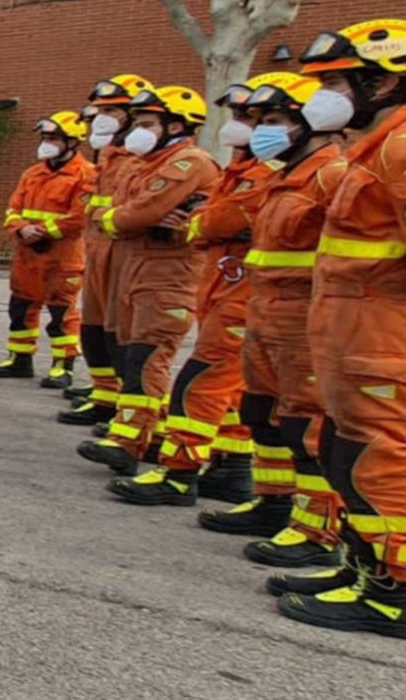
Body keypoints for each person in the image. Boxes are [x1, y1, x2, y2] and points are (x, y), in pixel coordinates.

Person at [275, 18, 406, 637]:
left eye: (335, 81)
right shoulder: (372, 150)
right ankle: (364, 568)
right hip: (352, 336)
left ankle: (396, 594)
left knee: (382, 462)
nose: (321, 96)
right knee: (344, 453)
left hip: (384, 339)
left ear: (380, 83)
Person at [109, 76, 286, 506]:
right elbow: (211, 218)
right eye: (243, 116)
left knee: (201, 384)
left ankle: (178, 474)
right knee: (237, 394)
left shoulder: (265, 173)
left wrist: (196, 223)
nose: (244, 125)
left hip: (250, 294)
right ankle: (233, 469)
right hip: (227, 288)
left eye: (257, 118)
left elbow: (214, 221)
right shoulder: (238, 171)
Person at [199, 76, 346, 580]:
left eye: (275, 122)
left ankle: (316, 530)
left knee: (307, 423)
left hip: (304, 315)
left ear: (310, 123)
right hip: (265, 308)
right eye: (259, 122)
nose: (263, 132)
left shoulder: (332, 175)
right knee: (261, 411)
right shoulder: (285, 175)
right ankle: (274, 501)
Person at [76, 86, 219, 476]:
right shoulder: (144, 165)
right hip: (133, 270)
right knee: (125, 353)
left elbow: (132, 215)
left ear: (175, 126)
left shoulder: (190, 163)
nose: (137, 131)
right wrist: (125, 220)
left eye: (146, 123)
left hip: (167, 276)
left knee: (146, 359)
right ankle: (148, 435)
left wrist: (123, 220)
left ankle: (128, 442)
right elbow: (121, 215)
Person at [59, 74, 152, 426]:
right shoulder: (109, 155)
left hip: (124, 253)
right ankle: (104, 395)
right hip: (97, 249)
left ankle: (125, 407)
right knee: (94, 330)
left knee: (120, 334)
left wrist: (101, 216)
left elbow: (135, 209)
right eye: (100, 110)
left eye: (111, 110)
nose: (102, 117)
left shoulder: (139, 158)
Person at [0, 113, 95, 383]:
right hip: (27, 253)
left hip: (63, 255)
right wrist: (21, 228)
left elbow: (81, 216)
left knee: (61, 311)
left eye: (53, 138)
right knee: (21, 307)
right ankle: (20, 359)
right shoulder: (33, 173)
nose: (46, 143)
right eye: (45, 138)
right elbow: (13, 208)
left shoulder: (86, 174)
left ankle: (63, 364)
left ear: (72, 141)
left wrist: (45, 232)